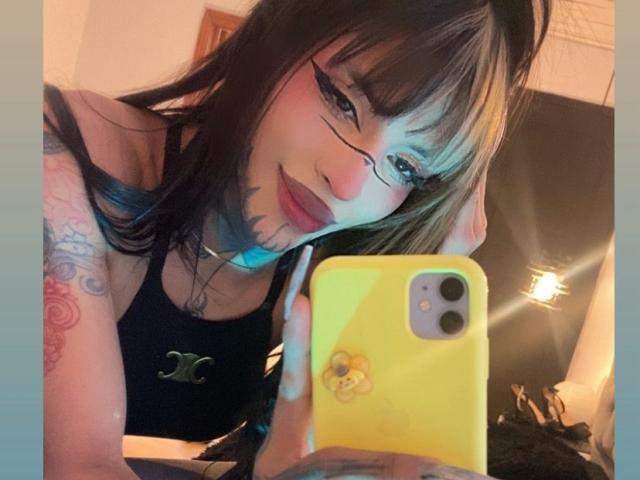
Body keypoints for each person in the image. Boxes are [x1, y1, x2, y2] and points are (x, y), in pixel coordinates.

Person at [43, 0, 551, 478]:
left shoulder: (321, 280)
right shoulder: (59, 157)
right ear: (277, 37)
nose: (348, 184)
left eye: (406, 167)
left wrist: (423, 266)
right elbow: (75, 466)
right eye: (342, 100)